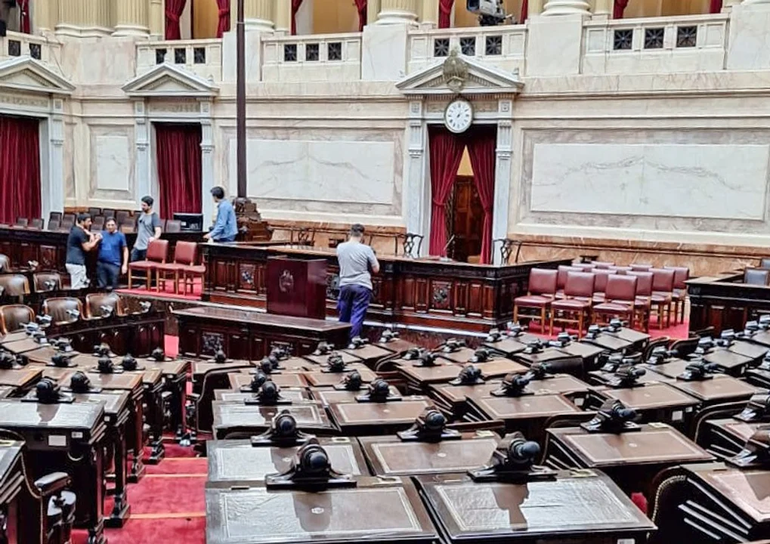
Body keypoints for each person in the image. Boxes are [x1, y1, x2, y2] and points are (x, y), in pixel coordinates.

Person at [336, 224, 379, 339]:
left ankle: (340, 339)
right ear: (362, 235)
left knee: (343, 314)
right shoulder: (366, 249)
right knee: (357, 314)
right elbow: (376, 269)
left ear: (350, 233)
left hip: (345, 284)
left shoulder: (340, 247)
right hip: (361, 285)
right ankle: (353, 340)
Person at [65, 213, 101, 289]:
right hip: (77, 264)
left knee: (82, 285)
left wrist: (91, 235)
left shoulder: (75, 229)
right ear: (82, 222)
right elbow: (87, 248)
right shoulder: (79, 232)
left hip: (73, 262)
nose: (90, 223)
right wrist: (97, 239)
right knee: (77, 288)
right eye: (88, 221)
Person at [97, 217, 128, 290]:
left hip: (114, 264)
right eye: (108, 225)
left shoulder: (120, 235)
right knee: (102, 286)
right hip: (101, 263)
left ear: (116, 225)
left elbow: (125, 250)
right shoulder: (102, 234)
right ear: (106, 225)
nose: (110, 227)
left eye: (112, 225)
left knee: (115, 285)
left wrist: (125, 265)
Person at [131, 195, 162, 262]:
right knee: (133, 264)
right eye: (142, 205)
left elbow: (158, 231)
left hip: (146, 247)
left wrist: (154, 238)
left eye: (144, 205)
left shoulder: (154, 217)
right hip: (137, 246)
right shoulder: (141, 215)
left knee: (144, 268)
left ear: (150, 206)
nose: (142, 207)